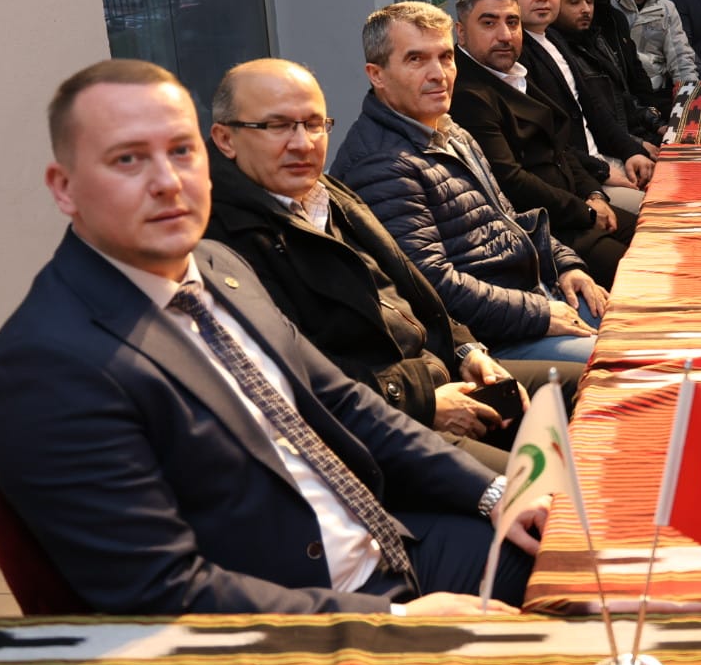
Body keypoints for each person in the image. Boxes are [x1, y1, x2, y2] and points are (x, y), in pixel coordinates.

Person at [0, 59, 545, 614]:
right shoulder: (46, 367)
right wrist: (391, 624)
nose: (167, 182)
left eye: (181, 151)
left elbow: (344, 403)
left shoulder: (216, 264)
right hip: (299, 621)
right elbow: (161, 593)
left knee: (570, 547)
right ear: (65, 188)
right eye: (128, 159)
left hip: (386, 545)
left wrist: (493, 493)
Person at [205, 59, 581, 471]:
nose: (303, 143)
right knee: (541, 489)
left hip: (438, 372)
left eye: (314, 124)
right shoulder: (223, 241)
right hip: (380, 424)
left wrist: (466, 350)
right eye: (278, 126)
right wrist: (423, 402)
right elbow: (302, 377)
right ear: (225, 139)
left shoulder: (326, 192)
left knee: (596, 388)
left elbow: (416, 286)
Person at [330, 1, 605, 365]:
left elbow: (508, 217)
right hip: (489, 341)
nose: (438, 74)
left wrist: (567, 265)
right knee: (626, 363)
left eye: (445, 57)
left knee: (649, 326)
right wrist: (538, 313)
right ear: (376, 75)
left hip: (531, 298)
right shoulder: (381, 164)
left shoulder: (448, 128)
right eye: (416, 59)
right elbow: (433, 286)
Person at [447, 0, 635, 287]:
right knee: (644, 273)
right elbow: (511, 182)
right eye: (489, 23)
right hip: (543, 231)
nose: (505, 35)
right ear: (462, 32)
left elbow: (560, 148)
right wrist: (586, 212)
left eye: (512, 22)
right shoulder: (467, 93)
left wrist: (594, 194)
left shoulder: (512, 72)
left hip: (573, 208)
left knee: (660, 237)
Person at [505, 0, 652, 212]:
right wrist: (602, 171)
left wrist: (631, 151)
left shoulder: (553, 38)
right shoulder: (514, 54)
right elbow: (548, 139)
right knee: (657, 210)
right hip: (578, 178)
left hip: (602, 160)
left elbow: (594, 109)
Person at [571, 0, 666, 135]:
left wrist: (656, 116)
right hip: (606, 129)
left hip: (635, 117)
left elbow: (636, 75)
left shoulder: (617, 18)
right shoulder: (574, 22)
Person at [611, 0, 700, 95]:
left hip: (656, 93)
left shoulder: (666, 9)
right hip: (617, 95)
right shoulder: (608, 4)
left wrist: (689, 99)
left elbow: (681, 59)